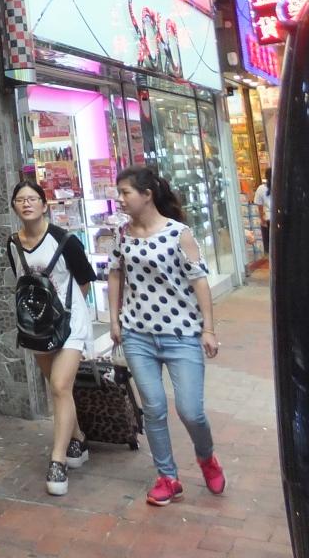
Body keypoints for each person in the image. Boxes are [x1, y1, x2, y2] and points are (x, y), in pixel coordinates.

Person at [109, 165, 225, 506]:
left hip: (182, 334)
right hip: (137, 335)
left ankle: (206, 457)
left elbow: (199, 280)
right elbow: (115, 274)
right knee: (154, 408)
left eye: (125, 192)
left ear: (147, 195)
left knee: (190, 411)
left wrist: (208, 328)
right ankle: (168, 477)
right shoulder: (122, 235)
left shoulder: (179, 234)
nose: (120, 199)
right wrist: (115, 320)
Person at [8, 179, 97, 496]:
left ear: (44, 205)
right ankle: (78, 438)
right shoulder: (13, 244)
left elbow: (84, 280)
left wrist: (68, 311)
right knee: (58, 388)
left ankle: (57, 460)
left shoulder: (65, 240)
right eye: (21, 199)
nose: (27, 203)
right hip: (38, 327)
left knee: (60, 386)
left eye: (32, 198)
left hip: (71, 324)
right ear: (14, 207)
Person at [253, 173, 271, 256]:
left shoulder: (261, 189)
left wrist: (262, 218)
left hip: (267, 218)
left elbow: (259, 206)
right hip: (279, 218)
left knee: (268, 246)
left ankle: (269, 259)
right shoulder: (280, 186)